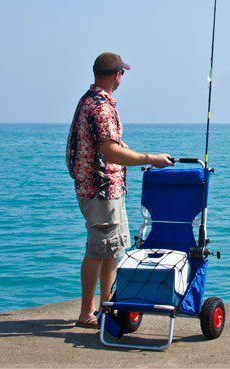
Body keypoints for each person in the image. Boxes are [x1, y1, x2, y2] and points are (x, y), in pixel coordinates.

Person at [66, 52, 174, 329]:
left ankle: (107, 305)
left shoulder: (87, 101)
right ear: (117, 75)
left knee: (112, 249)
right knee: (98, 249)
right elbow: (109, 151)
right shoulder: (101, 107)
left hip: (99, 188)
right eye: (122, 74)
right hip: (101, 190)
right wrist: (151, 158)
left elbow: (88, 145)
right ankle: (87, 313)